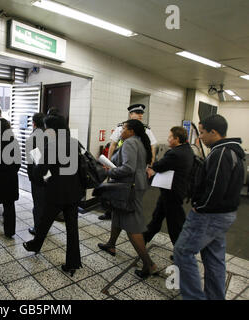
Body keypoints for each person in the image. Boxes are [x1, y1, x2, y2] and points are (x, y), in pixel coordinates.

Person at [174, 115, 245, 300]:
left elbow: (215, 187)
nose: (200, 138)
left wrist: (200, 207)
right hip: (224, 214)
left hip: (210, 215)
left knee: (182, 252)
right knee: (214, 257)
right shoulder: (233, 151)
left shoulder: (220, 153)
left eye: (203, 132)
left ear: (214, 132)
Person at [23, 114, 85, 276]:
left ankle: (35, 245)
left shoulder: (52, 145)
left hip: (56, 192)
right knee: (72, 229)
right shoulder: (74, 143)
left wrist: (39, 168)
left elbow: (40, 172)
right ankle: (73, 262)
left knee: (44, 220)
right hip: (74, 192)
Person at [96, 119, 157, 279]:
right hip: (134, 185)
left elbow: (128, 168)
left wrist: (108, 171)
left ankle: (148, 264)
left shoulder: (130, 143)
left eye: (123, 128)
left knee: (132, 226)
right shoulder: (139, 142)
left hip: (129, 187)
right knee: (117, 213)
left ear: (131, 131)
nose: (121, 131)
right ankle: (111, 244)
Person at [99, 103, 157, 220]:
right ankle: (110, 213)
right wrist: (108, 161)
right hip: (117, 163)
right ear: (131, 114)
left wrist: (150, 165)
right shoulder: (121, 127)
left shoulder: (145, 130)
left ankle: (123, 215)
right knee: (114, 192)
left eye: (141, 114)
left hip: (131, 168)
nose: (140, 116)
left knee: (127, 200)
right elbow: (113, 144)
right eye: (137, 113)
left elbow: (152, 148)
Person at [144, 127, 194, 253]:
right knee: (157, 217)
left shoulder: (175, 153)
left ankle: (182, 253)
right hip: (174, 191)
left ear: (176, 139)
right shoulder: (188, 150)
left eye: (170, 136)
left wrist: (150, 167)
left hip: (172, 192)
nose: (168, 138)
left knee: (175, 225)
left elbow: (160, 166)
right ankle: (143, 239)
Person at [25, 112, 46, 236]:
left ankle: (38, 228)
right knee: (46, 202)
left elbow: (35, 160)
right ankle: (45, 226)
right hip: (49, 175)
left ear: (33, 123)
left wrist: (32, 176)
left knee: (38, 203)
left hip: (38, 175)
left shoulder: (33, 137)